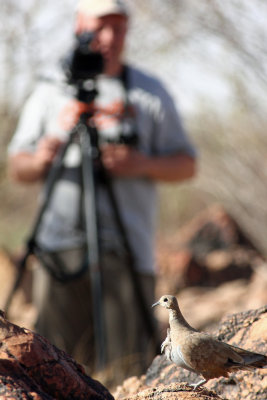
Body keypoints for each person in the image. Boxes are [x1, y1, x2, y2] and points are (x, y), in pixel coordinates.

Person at [8, 0, 197, 379]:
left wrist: (140, 163)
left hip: (127, 250)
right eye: (100, 26)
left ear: (127, 29)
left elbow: (187, 164)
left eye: (118, 26)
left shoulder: (149, 91)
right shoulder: (49, 89)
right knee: (54, 366)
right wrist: (44, 155)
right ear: (80, 25)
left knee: (128, 368)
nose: (109, 36)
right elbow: (18, 166)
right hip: (58, 249)